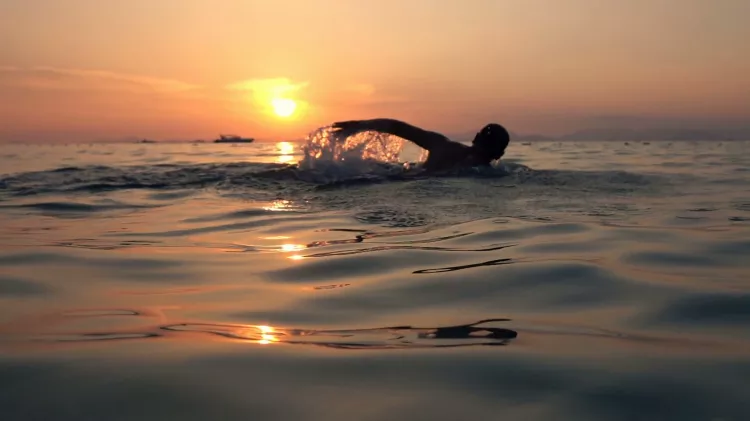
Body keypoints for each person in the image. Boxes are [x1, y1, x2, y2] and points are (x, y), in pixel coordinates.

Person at [331, 118, 510, 172]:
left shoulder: (443, 146)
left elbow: (400, 128)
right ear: (499, 154)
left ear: (475, 137)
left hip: (403, 180)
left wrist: (361, 125)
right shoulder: (493, 175)